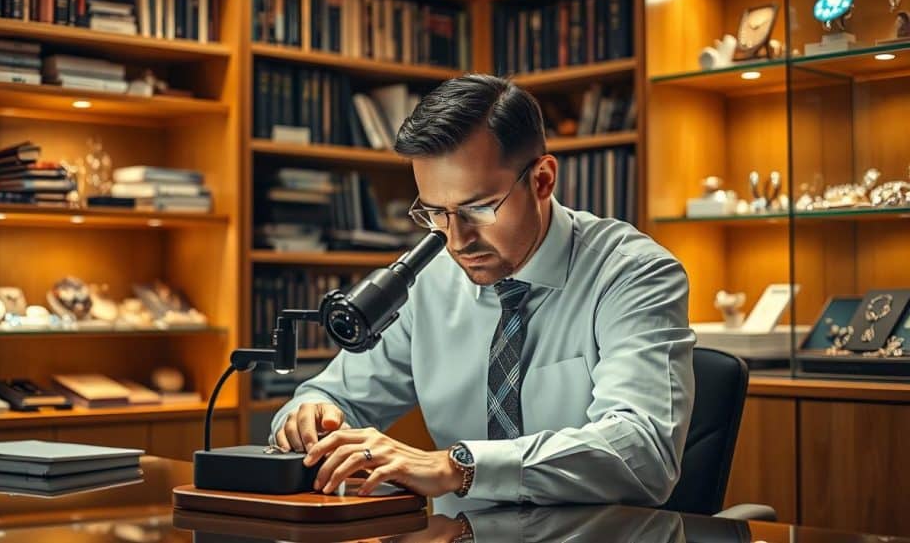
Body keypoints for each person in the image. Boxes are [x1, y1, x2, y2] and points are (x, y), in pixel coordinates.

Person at [270, 74, 695, 509]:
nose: (457, 241)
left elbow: (644, 452)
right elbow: (329, 396)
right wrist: (310, 418)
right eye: (435, 213)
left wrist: (459, 467)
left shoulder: (635, 274)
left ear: (543, 180)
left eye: (478, 208)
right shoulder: (428, 282)